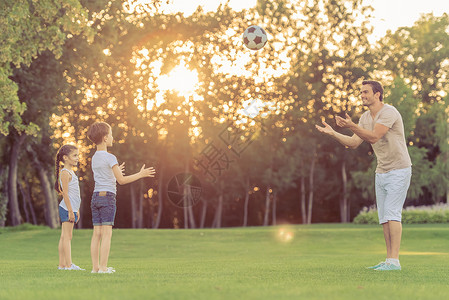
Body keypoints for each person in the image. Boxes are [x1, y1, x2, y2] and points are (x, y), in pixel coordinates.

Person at [316, 80, 412, 271]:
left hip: (399, 169)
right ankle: (388, 260)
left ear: (377, 94)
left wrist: (351, 125)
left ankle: (395, 262)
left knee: (393, 214)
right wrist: (333, 133)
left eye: (366, 92)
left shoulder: (389, 112)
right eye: (361, 93)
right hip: (382, 171)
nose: (362, 95)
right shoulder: (365, 117)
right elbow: (353, 143)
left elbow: (374, 137)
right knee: (384, 217)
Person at [87, 121, 156, 274]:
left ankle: (95, 268)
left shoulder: (95, 158)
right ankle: (103, 268)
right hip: (107, 198)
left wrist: (115, 170)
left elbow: (105, 175)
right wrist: (141, 174)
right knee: (106, 234)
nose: (112, 137)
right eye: (111, 134)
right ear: (105, 138)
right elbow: (122, 180)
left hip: (96, 197)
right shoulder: (111, 157)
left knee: (96, 234)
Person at [55, 144, 85, 271]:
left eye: (77, 155)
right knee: (67, 236)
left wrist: (76, 209)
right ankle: (68, 265)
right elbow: (65, 193)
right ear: (65, 158)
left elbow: (73, 194)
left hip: (71, 208)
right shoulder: (65, 173)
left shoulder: (70, 171)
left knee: (65, 236)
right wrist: (71, 211)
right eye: (74, 155)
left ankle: (62, 265)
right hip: (67, 208)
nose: (77, 158)